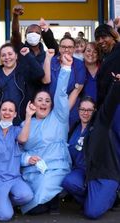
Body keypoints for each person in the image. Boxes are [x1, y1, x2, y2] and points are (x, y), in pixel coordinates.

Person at [19, 54, 73, 215]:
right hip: (31, 170)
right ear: (33, 103)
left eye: (47, 100)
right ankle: (49, 200)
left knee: (40, 195)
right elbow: (18, 150)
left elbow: (61, 94)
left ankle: (52, 200)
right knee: (25, 197)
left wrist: (66, 69)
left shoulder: (59, 118)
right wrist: (28, 159)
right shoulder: (24, 123)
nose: (43, 103)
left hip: (55, 168)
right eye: (40, 100)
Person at [62, 73, 120, 219]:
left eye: (89, 110)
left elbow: (109, 105)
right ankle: (94, 199)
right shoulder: (74, 127)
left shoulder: (100, 124)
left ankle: (110, 197)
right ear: (78, 110)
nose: (85, 113)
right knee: (68, 182)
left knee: (91, 213)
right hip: (83, 172)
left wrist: (116, 84)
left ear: (95, 111)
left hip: (102, 173)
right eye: (82, 109)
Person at [0, 100, 34, 221]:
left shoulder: (17, 130)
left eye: (10, 110)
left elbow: (23, 139)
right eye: (4, 109)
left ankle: (3, 202)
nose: (7, 112)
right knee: (5, 216)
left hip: (14, 178)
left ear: (14, 114)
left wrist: (28, 116)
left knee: (27, 196)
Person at [0, 43, 45, 125]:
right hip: (0, 120)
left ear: (16, 56)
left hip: (21, 119)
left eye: (10, 54)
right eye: (3, 55)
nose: (7, 57)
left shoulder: (24, 71)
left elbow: (40, 73)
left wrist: (28, 55)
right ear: (0, 58)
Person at [45, 36, 86, 128]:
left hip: (69, 109)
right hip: (48, 107)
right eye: (63, 47)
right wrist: (47, 59)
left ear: (74, 49)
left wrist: (63, 112)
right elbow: (45, 80)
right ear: (59, 48)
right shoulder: (51, 61)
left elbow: (77, 90)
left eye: (70, 47)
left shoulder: (79, 64)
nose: (66, 49)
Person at [94, 24, 120, 169]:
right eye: (98, 38)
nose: (101, 41)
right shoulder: (105, 56)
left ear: (113, 37)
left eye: (104, 37)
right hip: (108, 108)